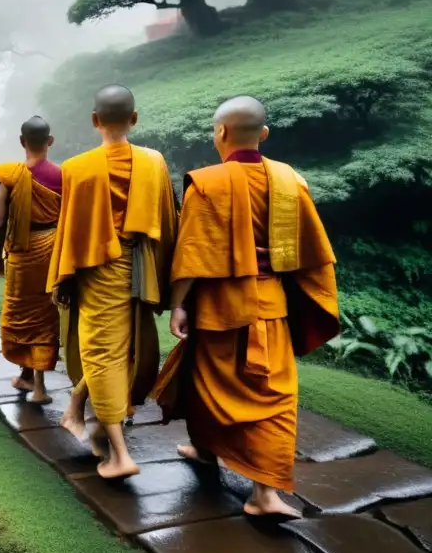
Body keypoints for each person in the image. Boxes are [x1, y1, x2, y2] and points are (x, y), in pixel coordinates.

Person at [152, 96, 338, 517]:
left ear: (220, 133)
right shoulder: (292, 181)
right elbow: (313, 254)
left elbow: (192, 254)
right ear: (264, 134)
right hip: (271, 308)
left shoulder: (206, 183)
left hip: (217, 310)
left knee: (207, 385)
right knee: (273, 397)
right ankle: (261, 491)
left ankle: (216, 458)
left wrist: (178, 305)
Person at [47, 85, 177, 479]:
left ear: (94, 121)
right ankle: (75, 406)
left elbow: (69, 231)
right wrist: (167, 271)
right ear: (134, 119)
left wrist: (63, 276)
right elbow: (168, 220)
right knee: (120, 345)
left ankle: (120, 455)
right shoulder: (154, 161)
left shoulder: (76, 168)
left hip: (97, 269)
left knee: (102, 352)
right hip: (142, 266)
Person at [0, 116, 63, 404]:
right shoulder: (63, 175)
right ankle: (30, 378)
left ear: (22, 141)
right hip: (52, 250)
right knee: (45, 315)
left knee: (21, 315)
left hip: (22, 252)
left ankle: (38, 386)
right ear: (50, 141)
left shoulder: (10, 176)